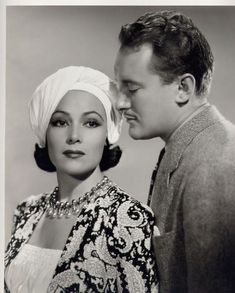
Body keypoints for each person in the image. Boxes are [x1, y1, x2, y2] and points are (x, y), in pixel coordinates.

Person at [5, 66, 159, 292]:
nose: (74, 136)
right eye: (60, 122)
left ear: (108, 135)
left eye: (91, 123)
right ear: (44, 134)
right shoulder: (27, 211)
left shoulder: (128, 219)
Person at [114, 10, 235, 293]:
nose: (120, 103)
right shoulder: (188, 147)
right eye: (118, 88)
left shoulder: (212, 169)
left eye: (131, 89)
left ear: (183, 88)